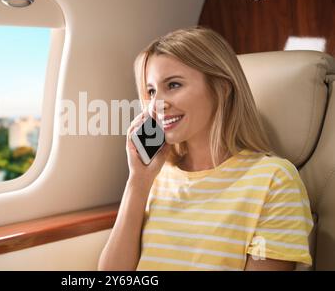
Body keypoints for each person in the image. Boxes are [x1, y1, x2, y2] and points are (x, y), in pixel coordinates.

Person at [98, 26, 313, 271]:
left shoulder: (274, 181)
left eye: (174, 85)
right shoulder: (153, 177)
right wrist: (137, 181)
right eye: (151, 91)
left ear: (221, 88)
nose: (156, 104)